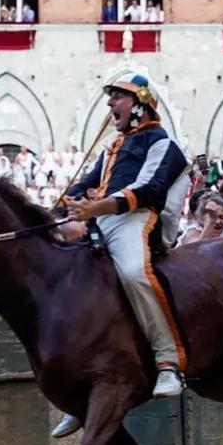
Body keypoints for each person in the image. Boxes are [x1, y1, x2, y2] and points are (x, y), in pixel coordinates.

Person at [65, 72, 192, 412]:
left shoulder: (164, 144)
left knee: (135, 272)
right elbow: (82, 186)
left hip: (135, 220)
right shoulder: (112, 149)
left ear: (140, 105)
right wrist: (77, 201)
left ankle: (167, 363)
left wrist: (97, 205)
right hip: (100, 219)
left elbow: (150, 190)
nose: (109, 104)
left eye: (117, 97)